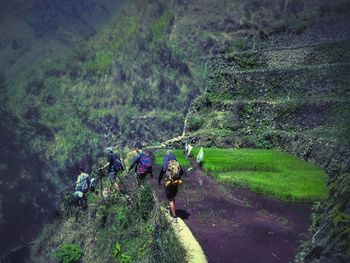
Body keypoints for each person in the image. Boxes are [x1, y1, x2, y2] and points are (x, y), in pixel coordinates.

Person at [158, 150, 183, 219]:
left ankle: (174, 215)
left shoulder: (166, 163)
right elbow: (182, 172)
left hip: (169, 183)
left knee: (170, 200)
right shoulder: (177, 164)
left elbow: (162, 172)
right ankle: (172, 208)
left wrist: (159, 181)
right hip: (176, 182)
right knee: (173, 197)